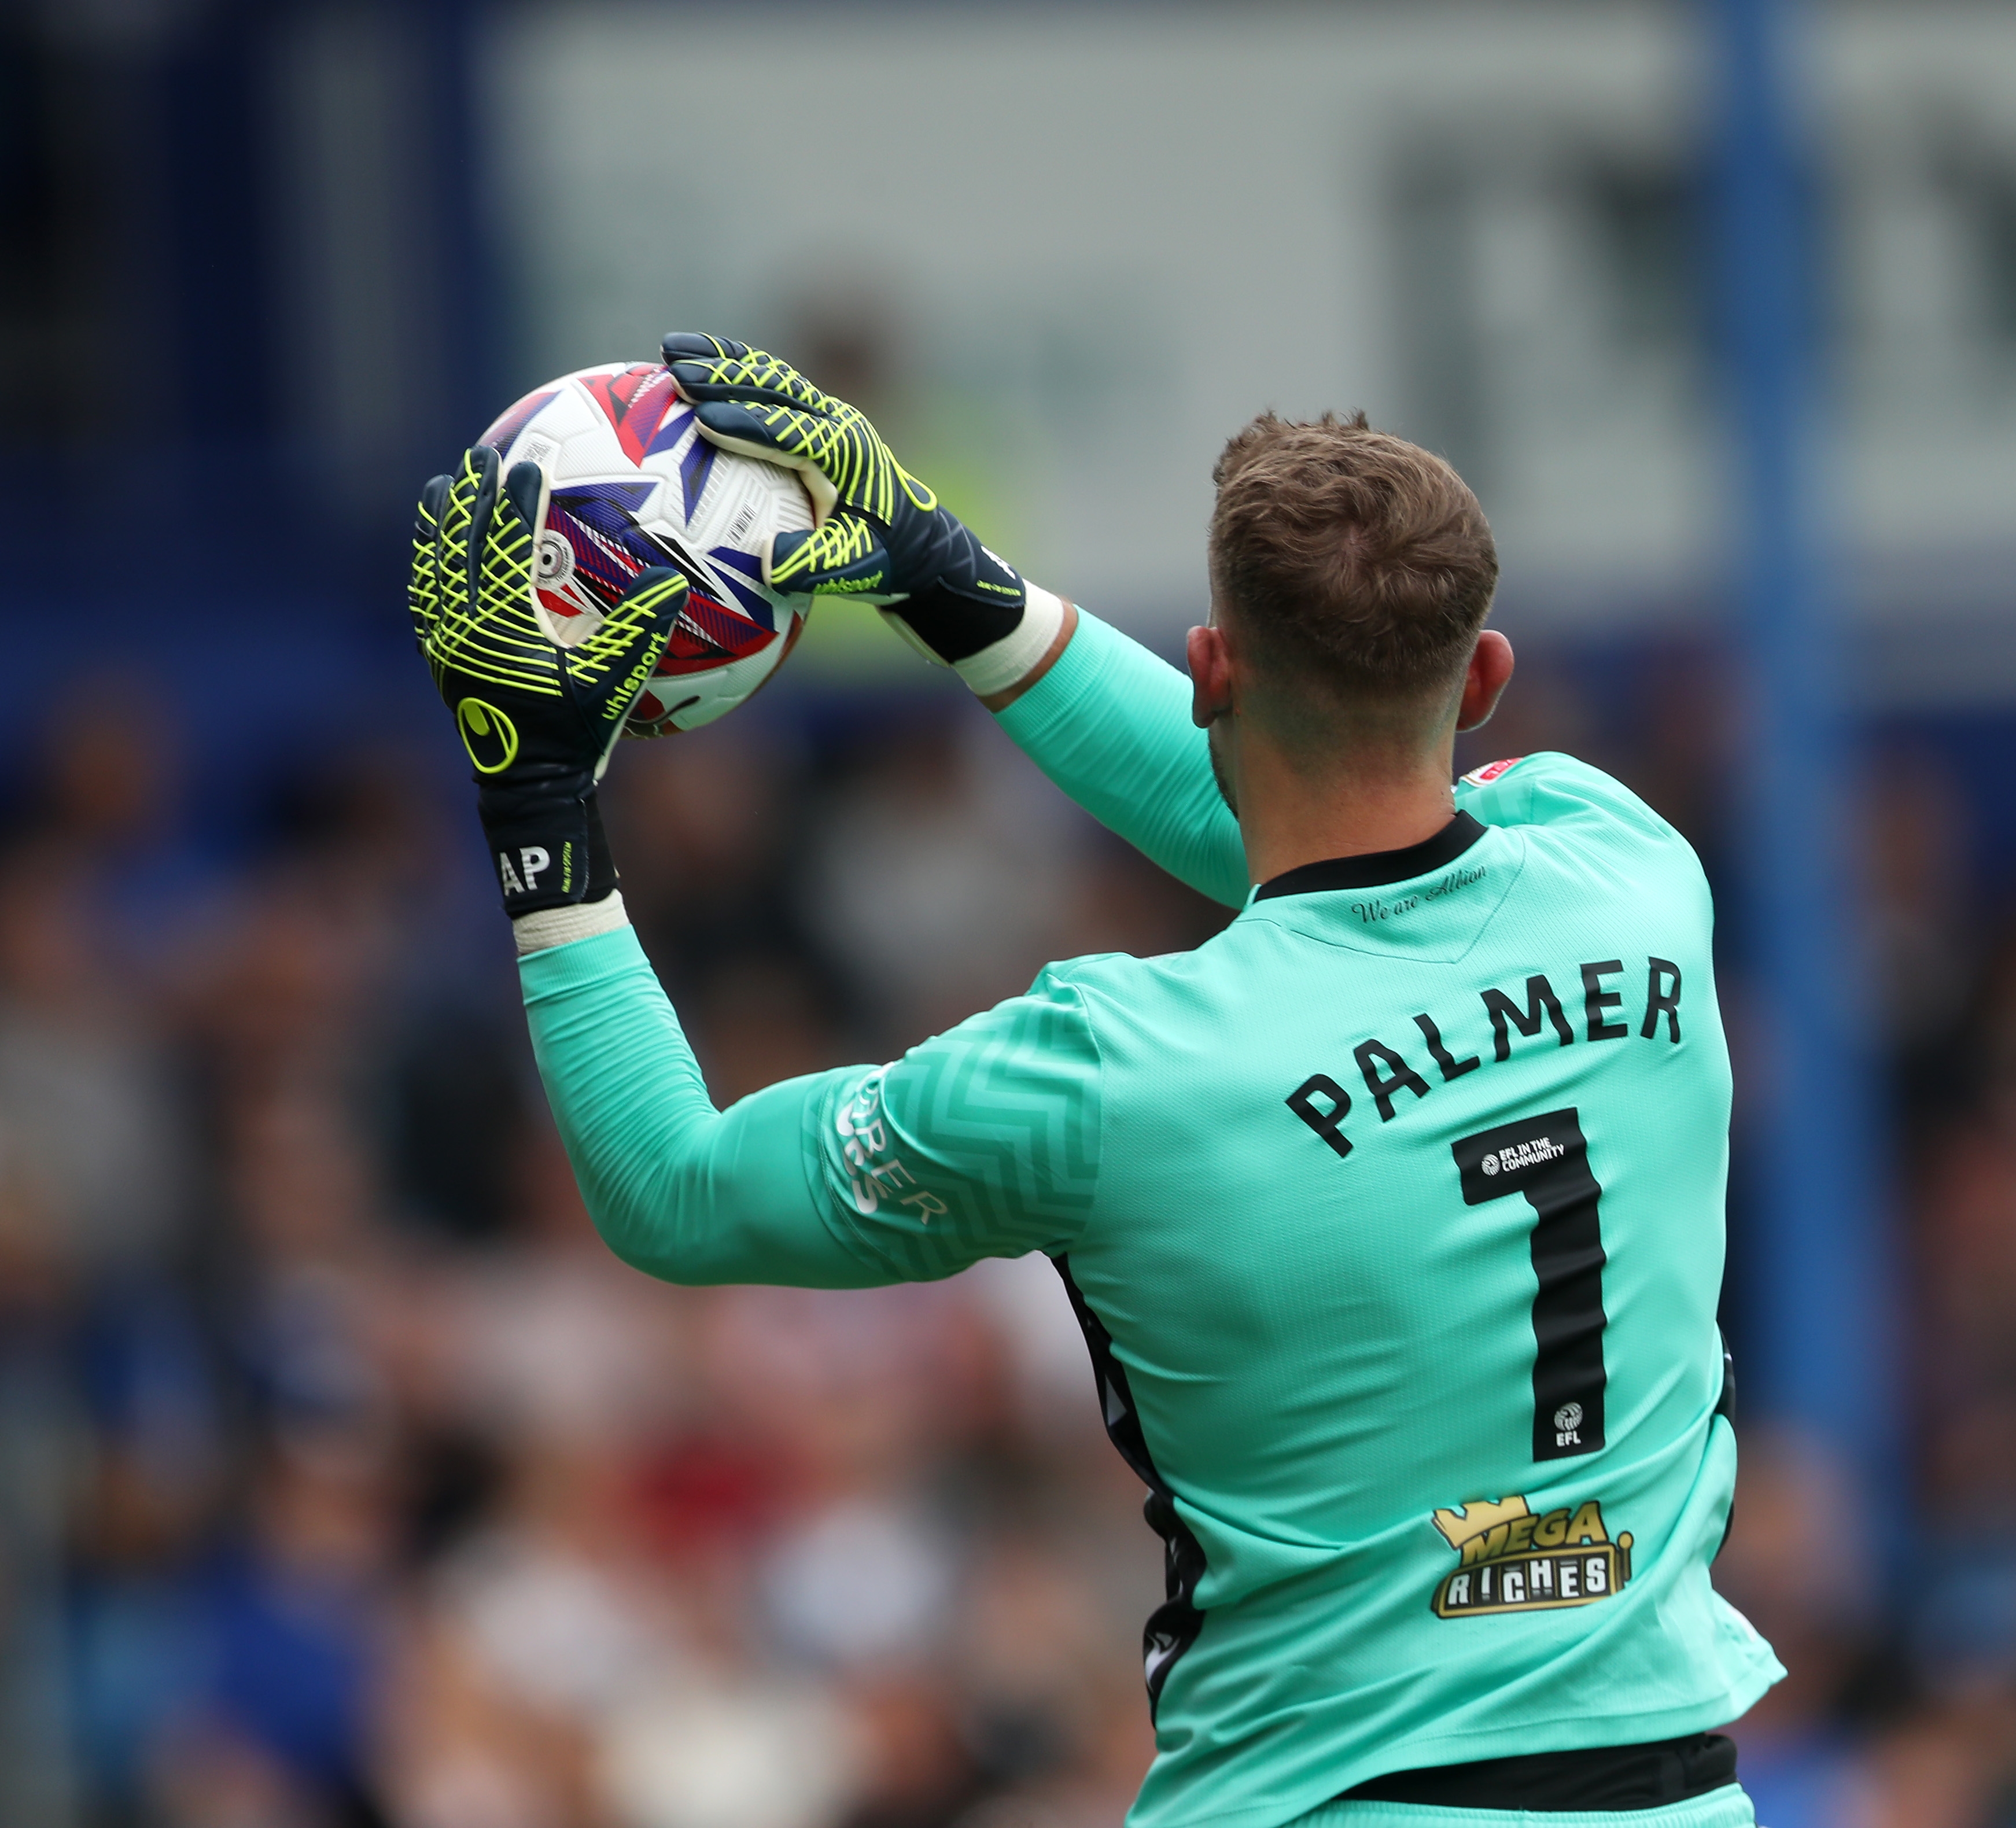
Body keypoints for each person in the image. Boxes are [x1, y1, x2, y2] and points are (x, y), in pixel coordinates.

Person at [404, 335, 1780, 1828]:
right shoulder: (1628, 868)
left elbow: (670, 1191)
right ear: (1487, 677)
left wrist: (533, 794)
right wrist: (946, 579)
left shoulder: (1110, 1072)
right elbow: (1324, 837)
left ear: (1208, 670)